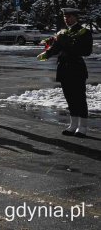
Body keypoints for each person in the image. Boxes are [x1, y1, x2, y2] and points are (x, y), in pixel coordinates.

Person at [39, 8, 93, 137]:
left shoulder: (84, 32)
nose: (66, 19)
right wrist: (47, 53)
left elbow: (86, 51)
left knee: (79, 98)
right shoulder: (63, 32)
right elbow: (56, 47)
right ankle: (73, 125)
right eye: (65, 17)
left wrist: (68, 45)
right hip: (64, 69)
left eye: (69, 17)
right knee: (69, 98)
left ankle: (83, 126)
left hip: (76, 68)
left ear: (75, 17)